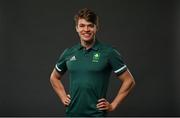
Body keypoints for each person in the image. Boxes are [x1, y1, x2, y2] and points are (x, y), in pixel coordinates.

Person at [50, 8, 135, 117]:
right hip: (72, 114)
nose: (86, 29)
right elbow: (54, 77)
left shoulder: (109, 52)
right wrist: (62, 96)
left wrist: (113, 105)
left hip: (96, 115)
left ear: (96, 28)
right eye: (82, 25)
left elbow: (129, 81)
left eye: (90, 25)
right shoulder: (69, 52)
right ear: (76, 28)